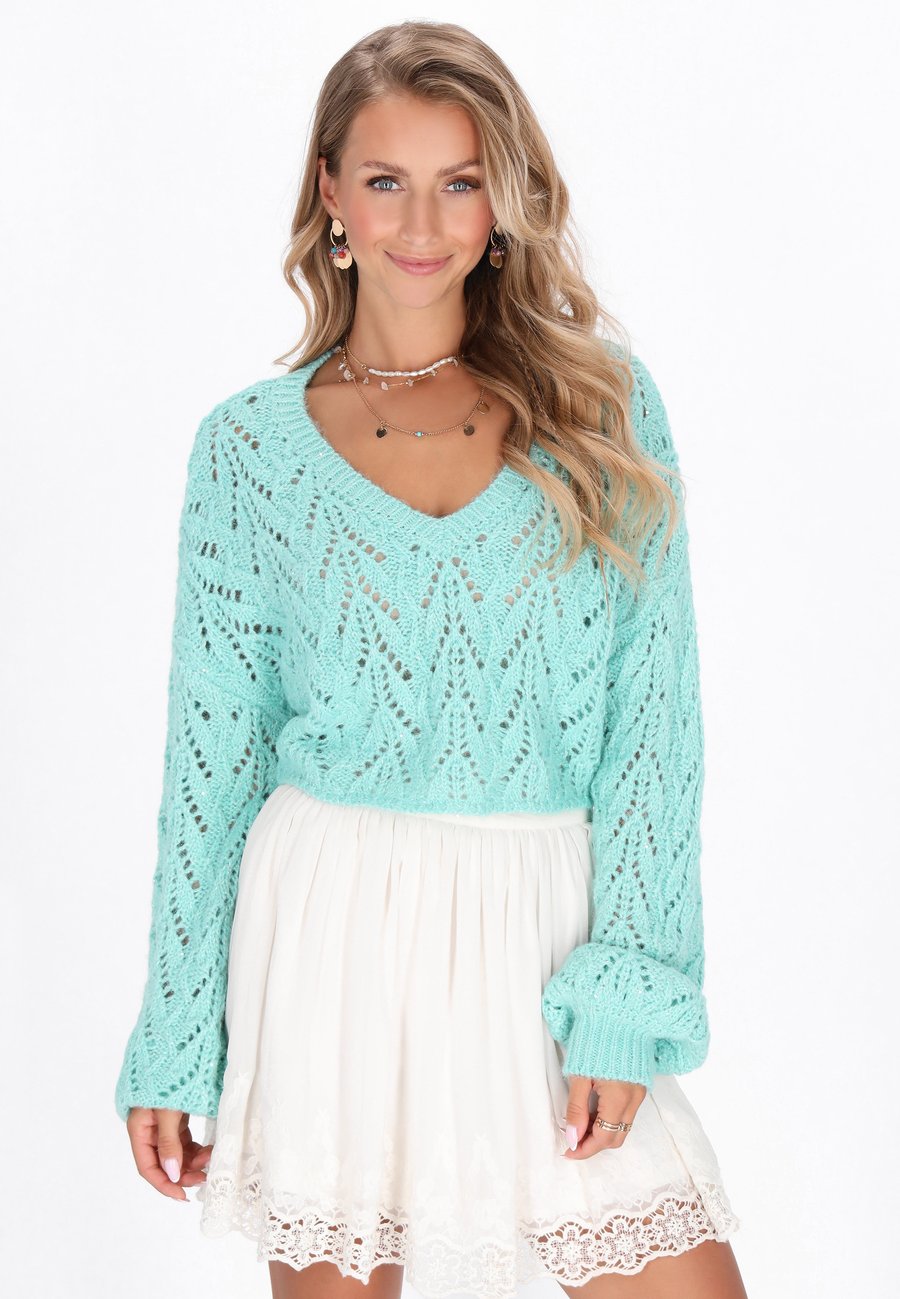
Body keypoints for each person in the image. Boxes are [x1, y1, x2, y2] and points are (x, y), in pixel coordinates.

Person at [115, 20, 748, 1299]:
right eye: (386, 180)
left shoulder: (602, 412)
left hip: (547, 935)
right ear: (330, 194)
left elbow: (656, 725)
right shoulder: (247, 452)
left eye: (459, 182)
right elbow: (211, 763)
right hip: (329, 929)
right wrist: (176, 1035)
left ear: (502, 201)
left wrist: (629, 993)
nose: (422, 223)